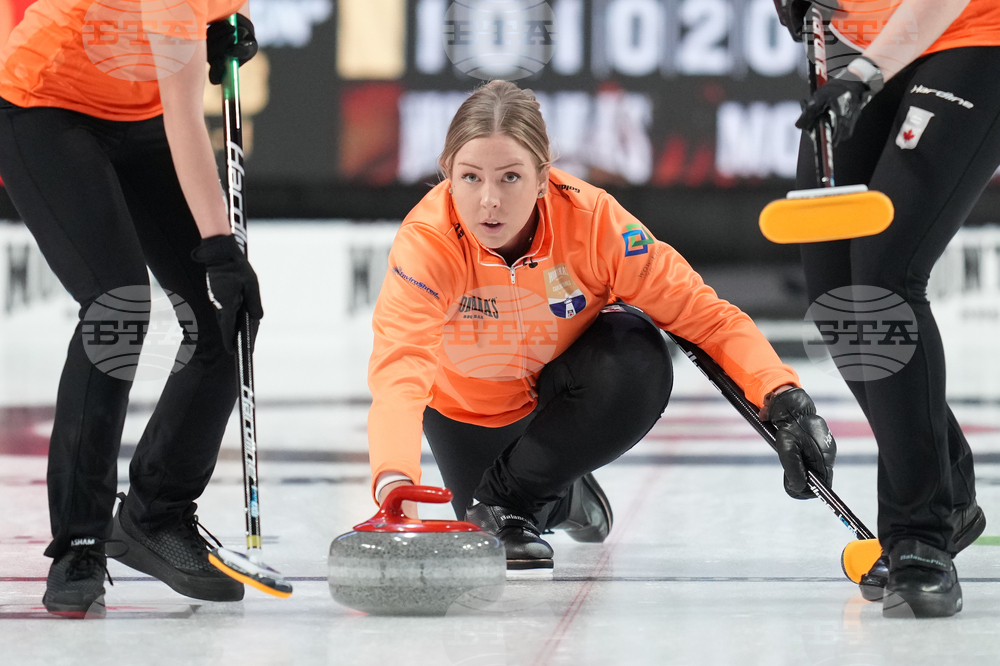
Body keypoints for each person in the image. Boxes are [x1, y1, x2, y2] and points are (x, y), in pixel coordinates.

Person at [366, 80, 837, 577]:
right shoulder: (427, 242)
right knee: (487, 522)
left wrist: (783, 397)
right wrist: (394, 484)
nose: (489, 201)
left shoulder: (594, 223)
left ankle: (526, 489)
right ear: (447, 174)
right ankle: (565, 495)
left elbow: (703, 315)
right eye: (470, 177)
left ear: (543, 177)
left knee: (636, 355)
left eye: (510, 177)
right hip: (467, 410)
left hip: (556, 396)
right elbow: (401, 369)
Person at [0, 2, 262, 617]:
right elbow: (185, 118)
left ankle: (155, 515)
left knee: (222, 317)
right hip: (44, 105)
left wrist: (225, 30)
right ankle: (79, 542)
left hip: (140, 115)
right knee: (116, 306)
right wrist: (220, 248)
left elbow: (200, 45)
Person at [773, 0, 1000, 617]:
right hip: (856, 41)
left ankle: (919, 534)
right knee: (835, 299)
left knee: (884, 279)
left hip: (968, 35)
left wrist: (866, 72)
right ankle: (947, 488)